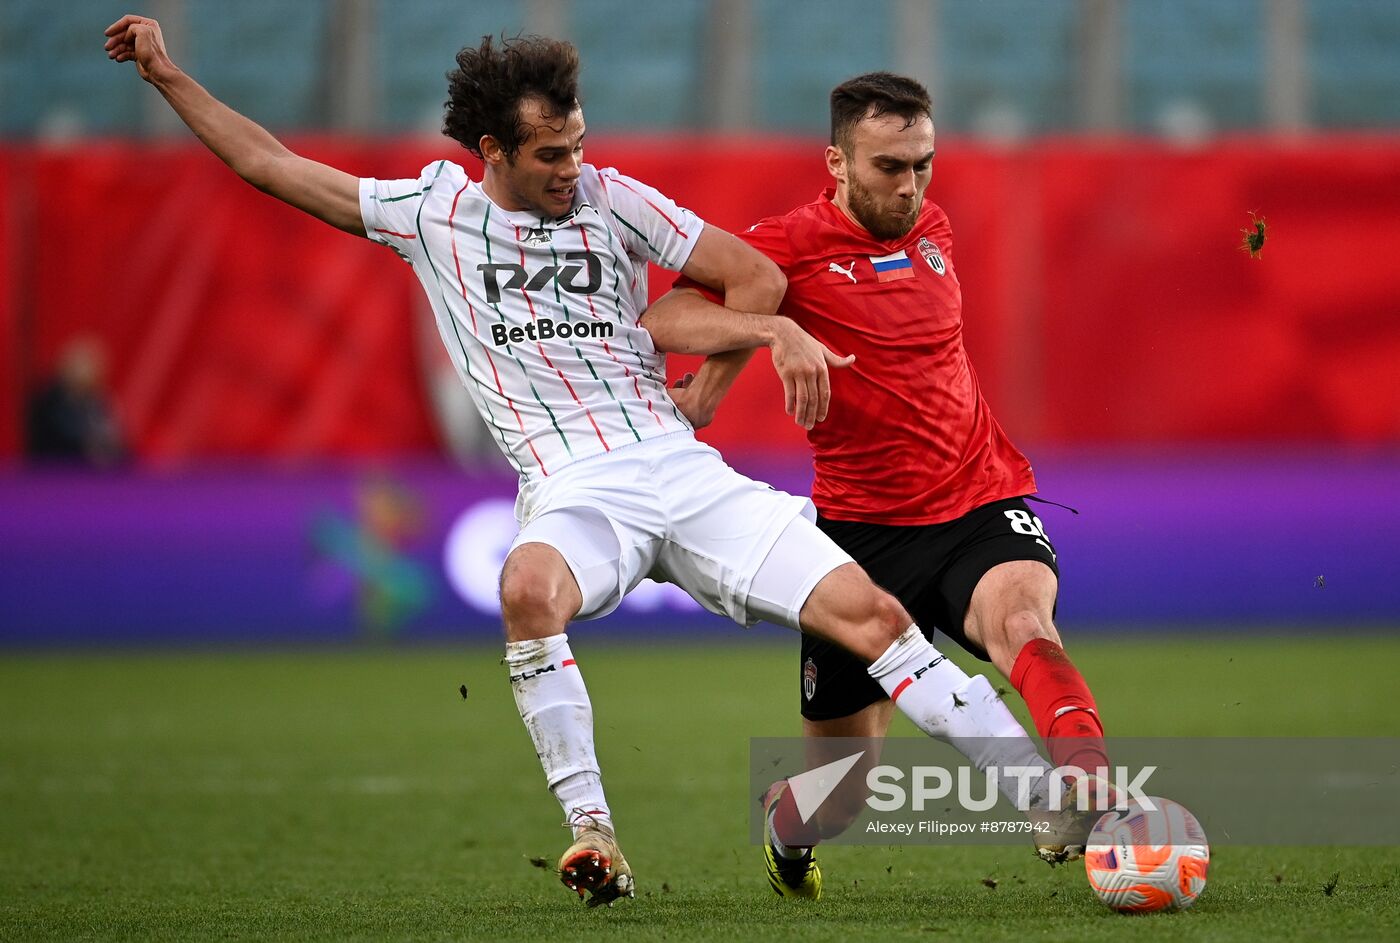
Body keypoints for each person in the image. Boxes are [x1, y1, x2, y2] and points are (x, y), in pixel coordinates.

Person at [107, 20, 1066, 907]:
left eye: (578, 142)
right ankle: (594, 833)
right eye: (550, 153)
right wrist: (166, 73)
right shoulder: (427, 212)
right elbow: (268, 163)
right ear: (491, 152)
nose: (574, 167)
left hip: (679, 465)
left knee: (875, 616)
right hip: (574, 488)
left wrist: (733, 365)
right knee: (527, 585)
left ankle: (1048, 803)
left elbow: (755, 274)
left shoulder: (615, 197)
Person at [646, 72, 1111, 897]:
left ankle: (1089, 788)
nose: (909, 186)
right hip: (857, 542)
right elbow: (663, 320)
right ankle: (788, 826)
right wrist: (772, 326)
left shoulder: (933, 227)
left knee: (1023, 618)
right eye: (889, 167)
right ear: (836, 162)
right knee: (844, 794)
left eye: (922, 164)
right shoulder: (786, 245)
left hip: (978, 500)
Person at [25, 336, 127, 467]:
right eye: (83, 365)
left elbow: (119, 444)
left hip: (94, 476)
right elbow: (50, 441)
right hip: (53, 473)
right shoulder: (47, 403)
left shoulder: (99, 402)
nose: (88, 372)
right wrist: (88, 445)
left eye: (94, 366)